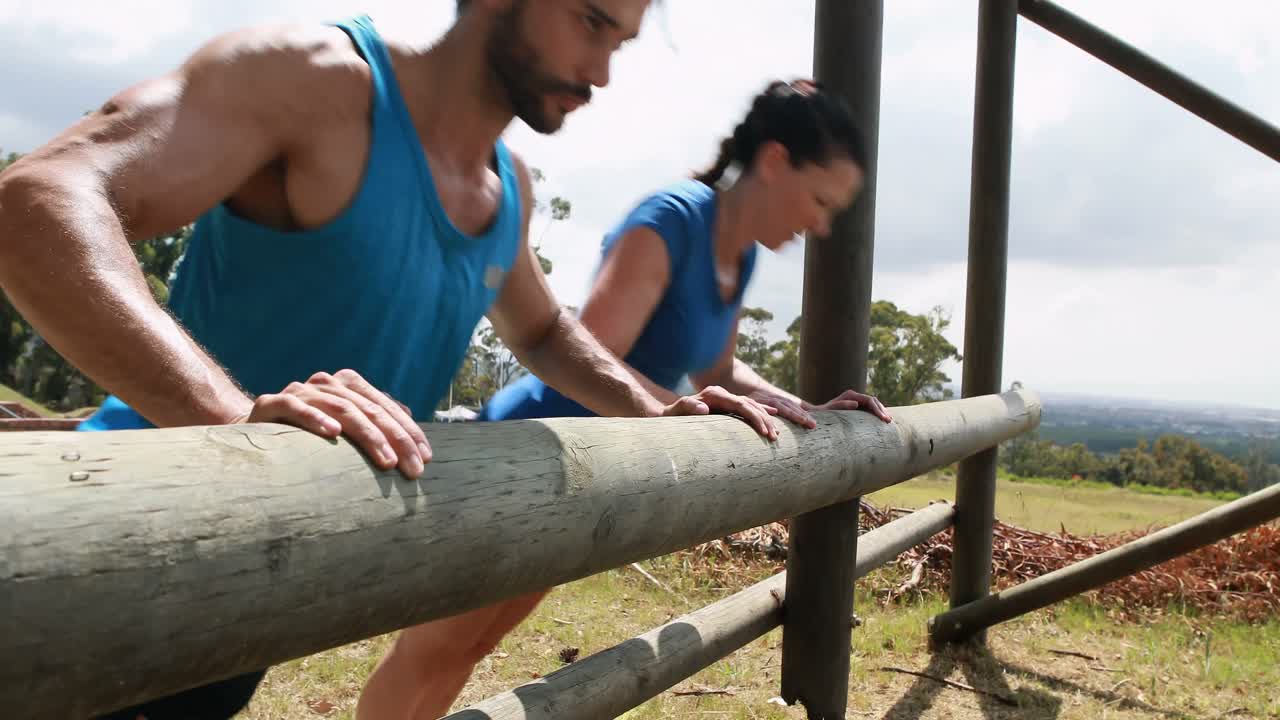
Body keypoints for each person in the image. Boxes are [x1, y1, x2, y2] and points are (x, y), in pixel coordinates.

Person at [0, 2, 781, 718]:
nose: (602, 72)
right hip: (97, 565)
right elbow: (36, 200)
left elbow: (542, 333)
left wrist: (657, 409)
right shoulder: (315, 77)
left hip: (250, 601)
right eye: (589, 21)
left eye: (620, 42)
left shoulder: (506, 184)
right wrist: (233, 420)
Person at [482, 79, 894, 429]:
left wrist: (806, 411)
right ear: (774, 162)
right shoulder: (670, 223)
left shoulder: (743, 253)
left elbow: (718, 372)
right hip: (531, 445)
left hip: (612, 469)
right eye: (820, 201)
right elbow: (588, 359)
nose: (821, 227)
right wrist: (682, 416)